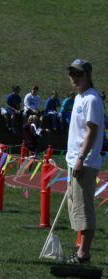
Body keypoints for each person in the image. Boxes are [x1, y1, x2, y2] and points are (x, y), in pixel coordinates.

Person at [62, 59, 104, 264]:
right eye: (71, 73)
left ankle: (83, 254)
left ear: (87, 75)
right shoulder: (80, 97)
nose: (73, 77)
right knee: (76, 205)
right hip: (75, 161)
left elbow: (91, 131)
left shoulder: (92, 100)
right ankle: (81, 249)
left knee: (84, 207)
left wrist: (80, 159)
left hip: (85, 163)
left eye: (77, 74)